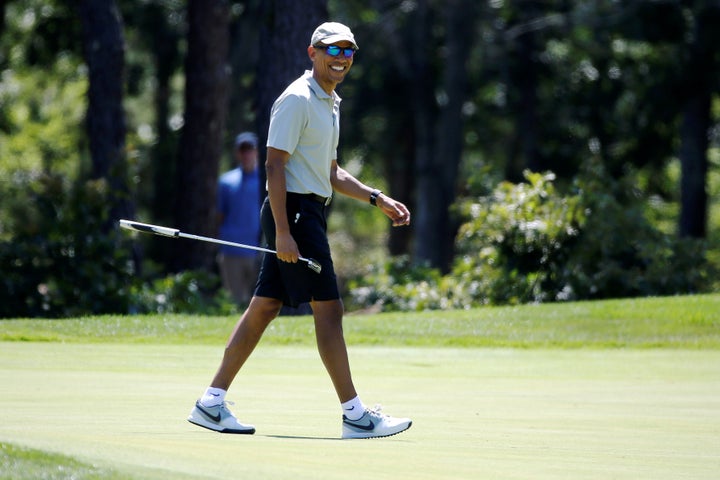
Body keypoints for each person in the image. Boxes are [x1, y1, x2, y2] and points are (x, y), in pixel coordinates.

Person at [188, 22, 412, 439]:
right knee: (329, 309)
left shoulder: (330, 102)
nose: (342, 58)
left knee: (265, 307)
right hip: (292, 214)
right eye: (333, 50)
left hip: (305, 212)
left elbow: (331, 171)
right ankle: (355, 415)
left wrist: (376, 198)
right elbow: (274, 165)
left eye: (348, 51)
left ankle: (211, 402)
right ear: (313, 53)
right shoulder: (296, 99)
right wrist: (283, 232)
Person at [216, 132, 262, 305]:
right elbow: (219, 215)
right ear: (237, 153)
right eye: (243, 150)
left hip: (258, 250)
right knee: (236, 302)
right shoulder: (226, 182)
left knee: (259, 303)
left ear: (256, 152)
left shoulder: (266, 179)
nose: (246, 154)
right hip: (231, 250)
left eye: (250, 149)